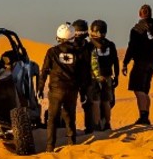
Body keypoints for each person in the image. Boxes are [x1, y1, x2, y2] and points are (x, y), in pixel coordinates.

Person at [37, 22, 89, 151]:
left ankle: (50, 147)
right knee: (70, 116)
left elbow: (44, 71)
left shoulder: (52, 52)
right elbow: (83, 75)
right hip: (72, 89)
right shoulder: (78, 53)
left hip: (56, 90)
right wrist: (83, 93)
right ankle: (72, 142)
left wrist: (40, 88)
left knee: (52, 119)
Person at [121, 3, 153, 125]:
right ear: (150, 13)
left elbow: (132, 47)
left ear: (140, 14)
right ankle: (145, 116)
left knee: (139, 90)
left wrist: (125, 62)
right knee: (145, 91)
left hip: (141, 62)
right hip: (152, 63)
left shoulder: (137, 29)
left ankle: (144, 117)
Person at [87, 19, 120, 131]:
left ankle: (96, 125)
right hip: (107, 76)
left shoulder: (90, 45)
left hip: (94, 77)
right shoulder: (110, 45)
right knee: (106, 101)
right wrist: (117, 76)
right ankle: (107, 124)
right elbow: (115, 61)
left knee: (96, 102)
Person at [71, 19, 94, 134]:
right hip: (84, 80)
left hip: (76, 80)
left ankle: (72, 131)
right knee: (87, 105)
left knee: (73, 106)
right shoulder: (90, 46)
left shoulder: (69, 47)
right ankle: (89, 128)